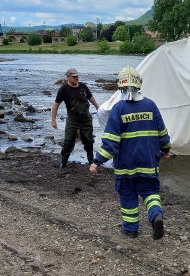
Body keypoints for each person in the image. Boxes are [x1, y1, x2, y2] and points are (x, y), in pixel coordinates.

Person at [89, 66, 171, 240]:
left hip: (125, 166)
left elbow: (111, 142)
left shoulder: (118, 109)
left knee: (128, 196)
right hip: (149, 163)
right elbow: (162, 133)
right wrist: (166, 149)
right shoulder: (151, 105)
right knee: (150, 192)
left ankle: (130, 230)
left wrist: (97, 161)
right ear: (139, 84)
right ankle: (156, 215)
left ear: (121, 87)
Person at [51, 68, 99, 168]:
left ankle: (91, 163)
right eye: (74, 77)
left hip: (86, 120)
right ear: (68, 77)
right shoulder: (63, 89)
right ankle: (63, 164)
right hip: (72, 121)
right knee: (68, 143)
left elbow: (91, 97)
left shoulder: (83, 86)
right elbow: (56, 105)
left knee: (89, 142)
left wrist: (98, 108)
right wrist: (53, 120)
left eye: (77, 76)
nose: (76, 78)